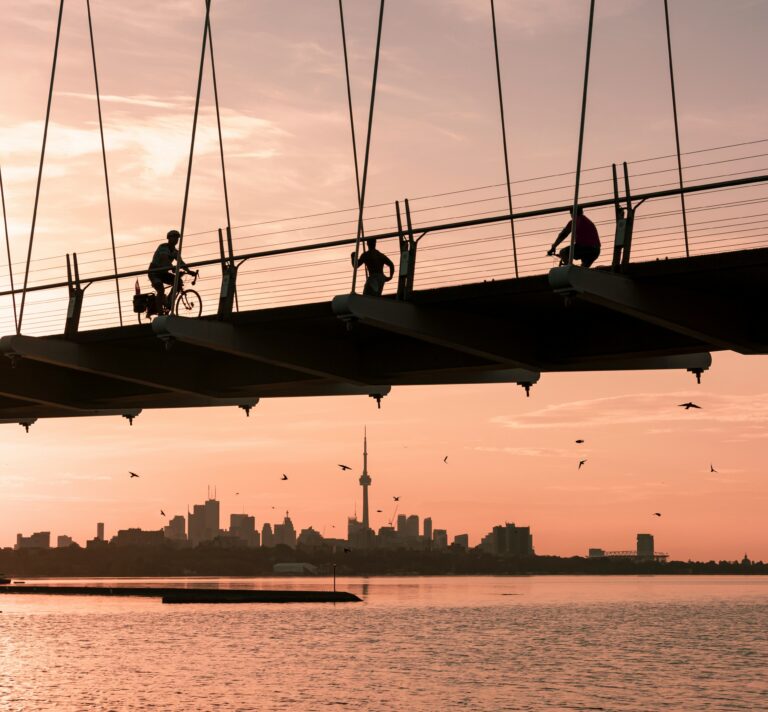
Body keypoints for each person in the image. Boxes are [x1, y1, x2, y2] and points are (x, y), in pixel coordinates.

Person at [147, 229, 194, 313]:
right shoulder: (163, 247)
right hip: (154, 272)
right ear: (169, 238)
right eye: (174, 237)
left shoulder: (175, 252)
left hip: (163, 273)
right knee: (161, 290)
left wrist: (189, 271)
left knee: (178, 282)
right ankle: (160, 313)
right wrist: (173, 268)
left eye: (177, 238)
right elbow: (164, 259)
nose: (176, 239)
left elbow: (181, 262)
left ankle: (168, 302)